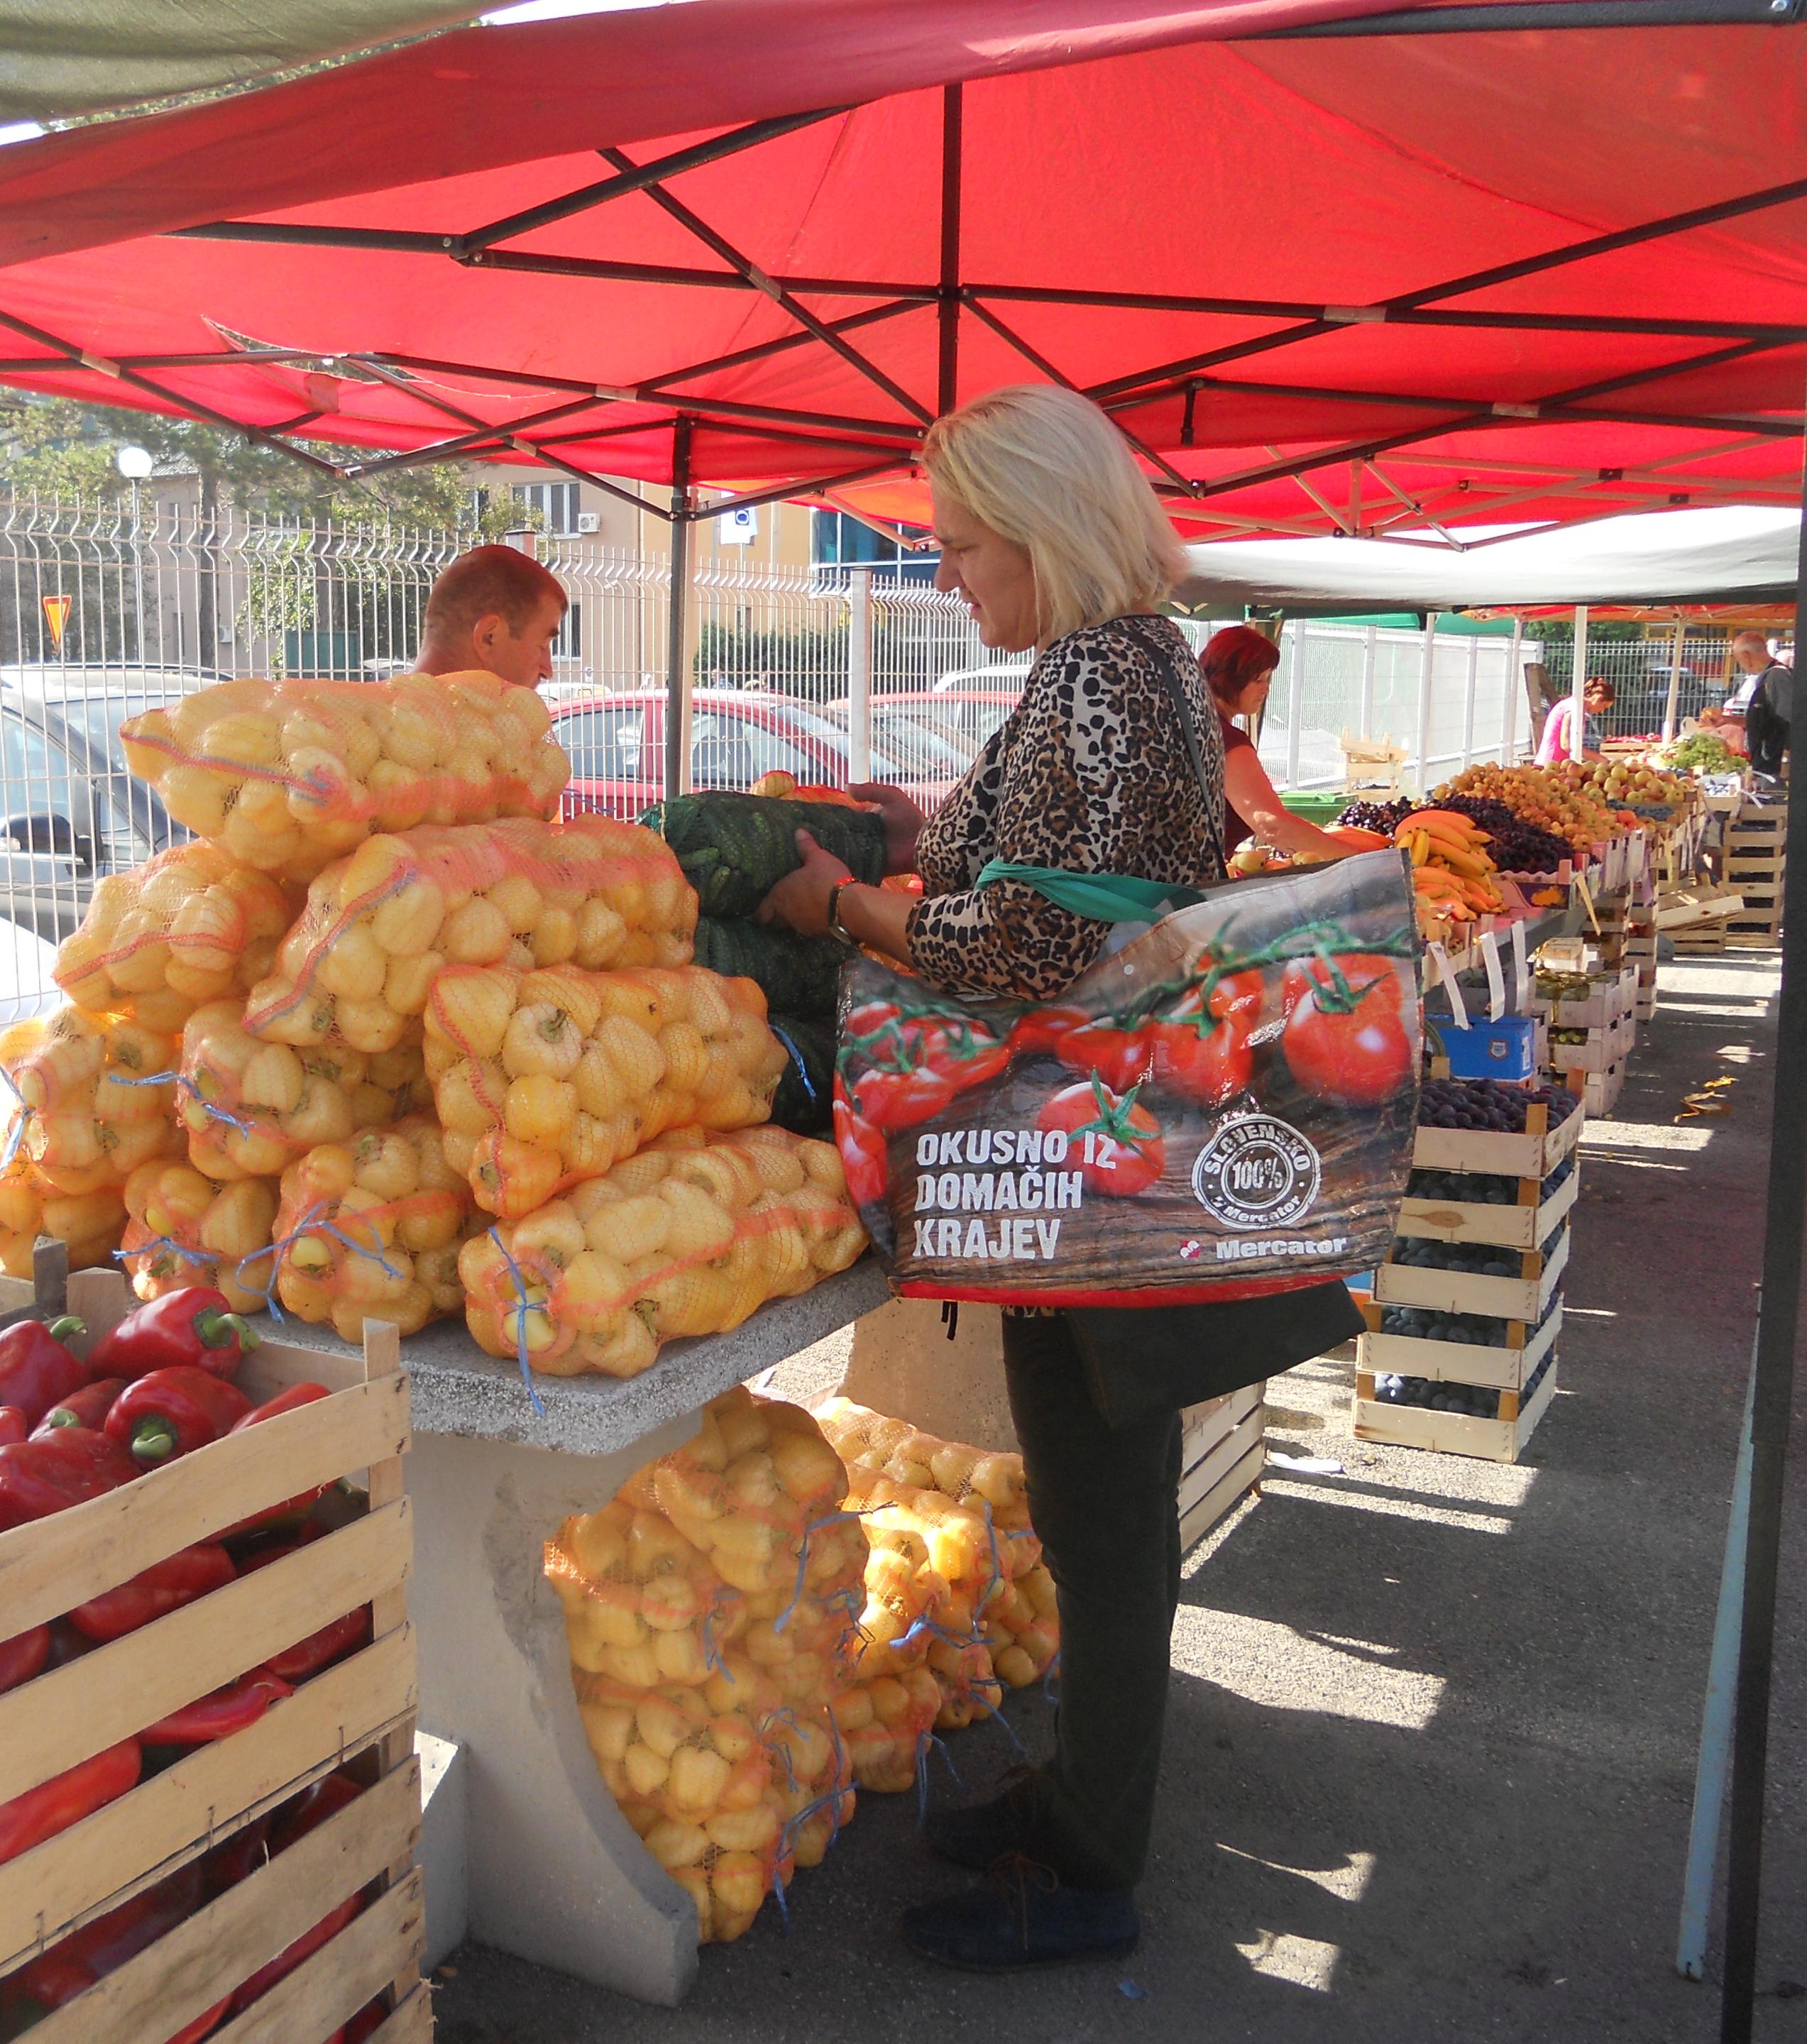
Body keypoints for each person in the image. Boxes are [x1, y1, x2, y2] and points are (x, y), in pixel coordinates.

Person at [756, 383, 1360, 1970]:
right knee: (1110, 1515)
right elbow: (1043, 869)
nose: (950, 576)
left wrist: (846, 912)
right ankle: (1079, 1795)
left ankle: (1092, 1865)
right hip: (1112, 1145)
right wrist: (912, 829)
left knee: (1100, 1525)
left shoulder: (1100, 672)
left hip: (1086, 1152)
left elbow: (1036, 942)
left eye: (963, 549)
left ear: (1044, 534)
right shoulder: (1150, 656)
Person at [1197, 625, 1349, 863]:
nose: (1266, 689)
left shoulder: (1192, 725)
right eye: (1259, 679)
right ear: (1229, 679)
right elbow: (1272, 824)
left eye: (1268, 679)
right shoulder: (1224, 738)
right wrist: (1366, 864)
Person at [412, 543, 568, 688]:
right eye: (542, 646)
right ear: (489, 637)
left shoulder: (393, 710)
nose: (548, 671)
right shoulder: (490, 716)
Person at [1728, 630, 1794, 776]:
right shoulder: (1768, 677)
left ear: (1746, 656)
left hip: (1773, 769)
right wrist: (1727, 720)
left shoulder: (1776, 677)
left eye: (1738, 660)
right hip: (1767, 767)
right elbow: (1765, 721)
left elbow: (1791, 721)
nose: (1741, 664)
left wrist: (1786, 762)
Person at [1537, 675, 1613, 763]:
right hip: (1552, 763)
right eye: (1604, 706)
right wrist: (1601, 760)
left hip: (1560, 763)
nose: (1602, 711)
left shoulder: (1575, 706)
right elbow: (1567, 744)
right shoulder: (1574, 708)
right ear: (1598, 699)